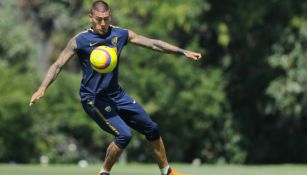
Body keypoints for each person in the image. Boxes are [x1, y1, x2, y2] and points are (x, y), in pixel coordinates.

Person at [29, 1, 202, 175]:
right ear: (91, 18)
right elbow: (58, 64)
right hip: (93, 98)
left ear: (109, 16)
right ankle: (103, 173)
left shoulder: (120, 34)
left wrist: (181, 51)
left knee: (152, 128)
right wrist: (42, 87)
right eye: (98, 19)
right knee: (124, 135)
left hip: (117, 95)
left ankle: (167, 172)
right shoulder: (79, 40)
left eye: (105, 19)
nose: (103, 23)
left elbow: (152, 44)